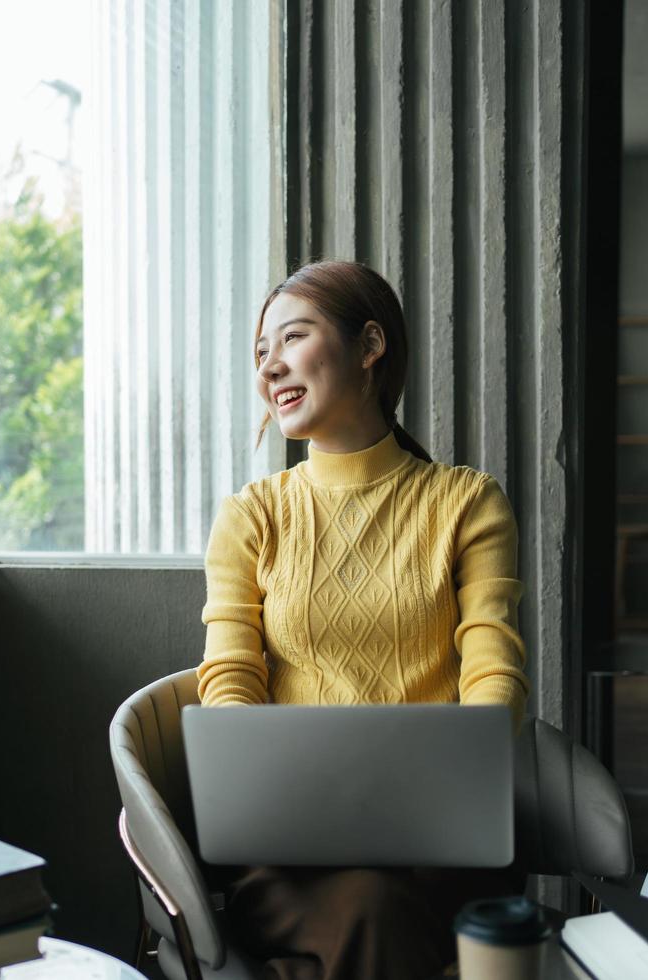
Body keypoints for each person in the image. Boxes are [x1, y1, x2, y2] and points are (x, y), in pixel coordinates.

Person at [196, 260, 529, 980]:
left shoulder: (466, 504)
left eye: (293, 338)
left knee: (379, 909)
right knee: (372, 911)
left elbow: (494, 675)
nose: (271, 367)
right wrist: (261, 799)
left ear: (370, 345)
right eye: (261, 353)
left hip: (438, 841)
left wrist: (453, 795)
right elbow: (229, 683)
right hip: (290, 851)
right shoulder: (252, 517)